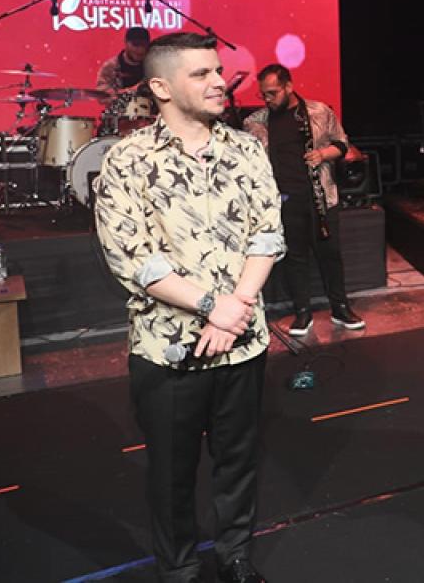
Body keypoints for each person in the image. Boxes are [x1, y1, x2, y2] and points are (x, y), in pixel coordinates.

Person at [93, 32, 284, 583]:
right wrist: (210, 305)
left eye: (218, 70)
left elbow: (267, 235)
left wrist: (236, 307)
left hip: (242, 341)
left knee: (238, 461)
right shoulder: (127, 159)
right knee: (172, 473)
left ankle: (235, 556)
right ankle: (179, 569)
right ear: (161, 87)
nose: (220, 82)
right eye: (201, 74)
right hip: (167, 349)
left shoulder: (246, 148)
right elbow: (133, 259)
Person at [244, 64, 365, 336]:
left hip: (321, 197)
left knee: (330, 255)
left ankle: (340, 308)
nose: (268, 99)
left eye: (273, 93)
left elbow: (342, 143)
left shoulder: (319, 111)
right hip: (284, 200)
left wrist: (323, 154)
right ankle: (302, 313)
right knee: (295, 258)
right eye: (263, 94)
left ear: (288, 86)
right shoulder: (256, 122)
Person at [96, 26, 152, 94]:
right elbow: (102, 94)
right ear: (126, 42)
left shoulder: (153, 65)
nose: (140, 50)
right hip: (120, 101)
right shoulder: (111, 67)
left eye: (144, 45)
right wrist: (134, 90)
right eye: (135, 45)